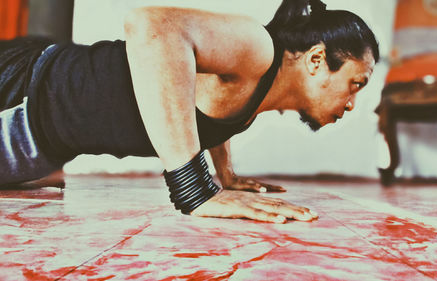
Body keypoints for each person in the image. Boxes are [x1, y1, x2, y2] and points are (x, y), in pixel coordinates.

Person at [0, 0, 378, 223]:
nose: (351, 103)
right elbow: (152, 25)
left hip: (40, 145)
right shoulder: (260, 48)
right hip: (20, 98)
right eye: (355, 84)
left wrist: (225, 175)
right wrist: (195, 189)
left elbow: (213, 108)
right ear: (316, 60)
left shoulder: (258, 87)